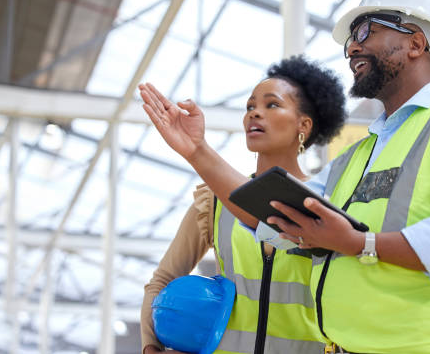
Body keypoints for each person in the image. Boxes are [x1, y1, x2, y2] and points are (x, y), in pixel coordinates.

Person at [139, 0, 430, 353]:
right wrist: (197, 151)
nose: (353, 46)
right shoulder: (359, 156)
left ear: (416, 43)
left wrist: (361, 244)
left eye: (367, 30)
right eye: (350, 39)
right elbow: (279, 216)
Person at [139, 55, 346, 354]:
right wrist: (151, 346)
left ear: (304, 125)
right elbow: (163, 279)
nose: (254, 114)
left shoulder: (329, 204)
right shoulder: (214, 201)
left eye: (271, 105)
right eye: (250, 107)